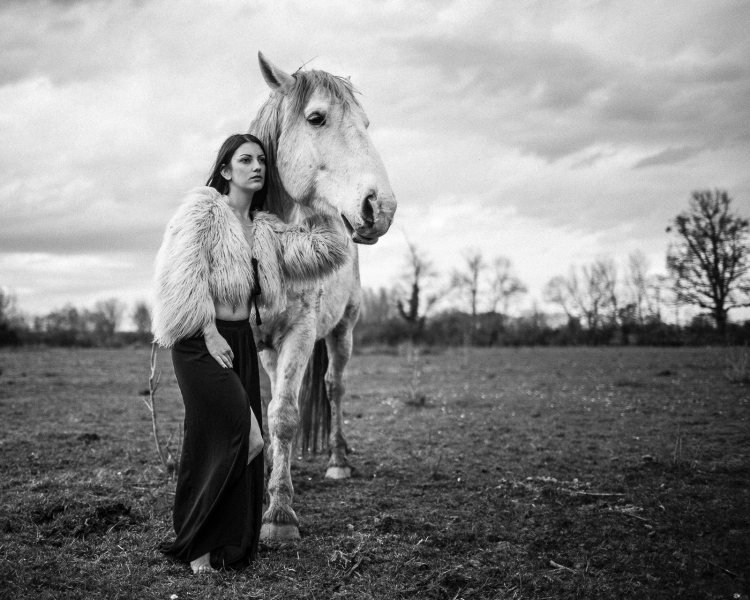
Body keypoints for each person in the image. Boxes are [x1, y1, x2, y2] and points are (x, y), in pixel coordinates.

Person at [152, 133, 348, 573]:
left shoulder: (264, 227)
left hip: (240, 340)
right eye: (245, 160)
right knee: (249, 436)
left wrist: (327, 201)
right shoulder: (202, 212)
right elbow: (182, 276)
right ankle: (198, 542)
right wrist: (206, 331)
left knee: (217, 441)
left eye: (261, 160)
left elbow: (321, 251)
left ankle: (222, 545)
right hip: (201, 340)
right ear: (225, 170)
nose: (257, 166)